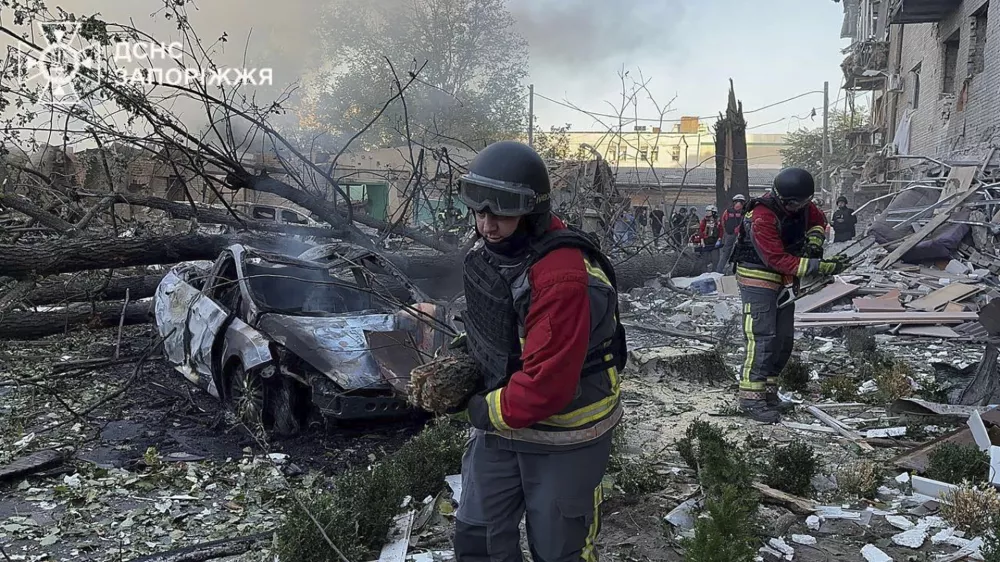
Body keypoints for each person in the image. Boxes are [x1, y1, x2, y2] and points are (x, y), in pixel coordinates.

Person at [452, 140, 628, 562]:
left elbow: (549, 385)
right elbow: (495, 323)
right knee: (478, 539)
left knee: (558, 549)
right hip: (505, 422)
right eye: (480, 211)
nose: (487, 225)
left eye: (502, 212)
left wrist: (480, 410)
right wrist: (464, 358)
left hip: (565, 431)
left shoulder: (563, 276)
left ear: (531, 211)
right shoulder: (495, 250)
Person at [731, 167, 848, 423]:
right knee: (761, 337)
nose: (802, 207)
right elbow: (777, 259)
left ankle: (768, 392)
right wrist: (819, 267)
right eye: (797, 204)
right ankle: (751, 399)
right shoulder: (761, 216)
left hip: (784, 278)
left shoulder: (804, 206)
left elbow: (818, 220)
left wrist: (815, 241)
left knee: (783, 339)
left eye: (805, 202)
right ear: (784, 200)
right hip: (757, 275)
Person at [716, 194, 747, 273]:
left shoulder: (743, 212)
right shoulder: (729, 211)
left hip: (736, 234)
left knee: (733, 252)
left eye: (740, 202)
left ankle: (728, 270)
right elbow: (723, 222)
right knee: (727, 252)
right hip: (732, 234)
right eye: (738, 202)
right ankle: (720, 270)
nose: (739, 204)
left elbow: (723, 222)